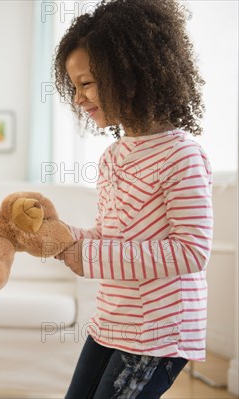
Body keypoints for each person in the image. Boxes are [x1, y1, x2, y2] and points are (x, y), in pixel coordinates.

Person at [52, 0, 212, 397]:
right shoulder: (113, 156)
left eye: (87, 83)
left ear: (129, 74)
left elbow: (191, 251)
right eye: (74, 87)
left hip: (160, 332)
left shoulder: (182, 156)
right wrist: (61, 236)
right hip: (113, 320)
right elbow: (112, 235)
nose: (79, 99)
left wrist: (86, 257)